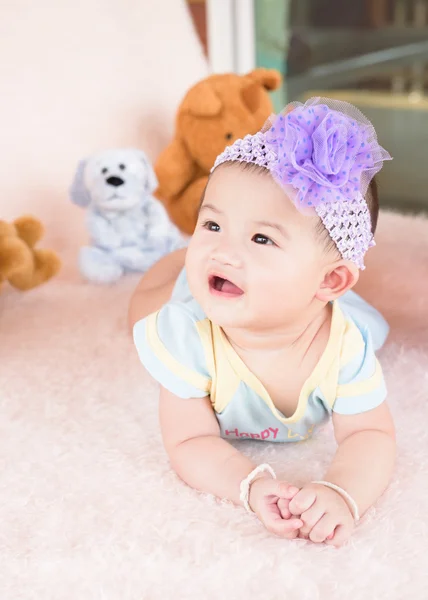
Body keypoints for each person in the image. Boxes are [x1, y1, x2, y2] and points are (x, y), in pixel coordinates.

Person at [129, 98, 396, 546]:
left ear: (332, 279)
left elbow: (371, 434)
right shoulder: (187, 336)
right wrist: (250, 486)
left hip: (291, 295)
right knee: (145, 304)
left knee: (372, 323)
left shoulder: (346, 346)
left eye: (261, 237)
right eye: (211, 225)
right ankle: (176, 260)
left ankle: (294, 279)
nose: (224, 249)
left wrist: (342, 492)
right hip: (202, 293)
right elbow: (189, 440)